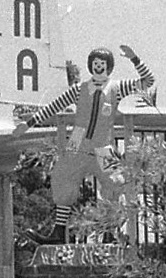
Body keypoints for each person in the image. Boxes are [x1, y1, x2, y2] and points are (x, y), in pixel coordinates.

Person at [25, 45, 154, 245]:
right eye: (95, 64)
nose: (98, 68)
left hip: (104, 143)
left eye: (102, 64)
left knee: (115, 182)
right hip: (77, 140)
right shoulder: (79, 89)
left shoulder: (117, 88)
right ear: (90, 66)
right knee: (63, 176)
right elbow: (54, 106)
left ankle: (110, 232)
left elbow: (148, 82)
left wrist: (134, 59)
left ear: (109, 66)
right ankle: (59, 232)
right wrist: (29, 123)